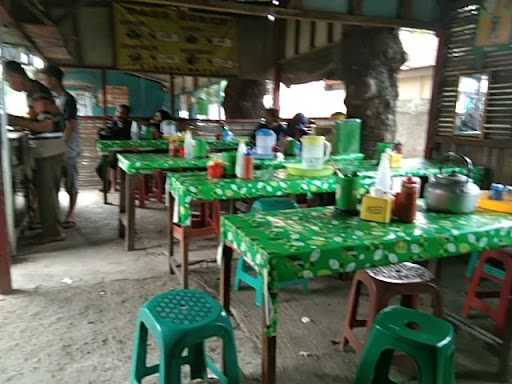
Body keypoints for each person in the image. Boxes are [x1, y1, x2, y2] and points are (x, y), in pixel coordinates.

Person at [3, 60, 66, 243]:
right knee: (48, 191)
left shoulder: (38, 94)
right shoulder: (33, 93)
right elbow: (38, 119)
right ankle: (52, 228)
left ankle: (52, 232)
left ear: (16, 76)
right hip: (49, 148)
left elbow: (46, 126)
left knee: (47, 192)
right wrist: (21, 120)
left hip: (49, 149)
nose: (9, 84)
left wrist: (15, 122)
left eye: (8, 80)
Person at [40, 64, 80, 228]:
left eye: (45, 78)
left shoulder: (68, 99)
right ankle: (55, 215)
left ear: (53, 79)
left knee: (70, 180)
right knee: (54, 182)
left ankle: (71, 214)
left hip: (68, 146)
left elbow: (71, 126)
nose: (43, 82)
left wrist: (62, 147)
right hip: (55, 144)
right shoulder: (49, 99)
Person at [95, 104, 132, 191]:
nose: (119, 114)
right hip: (113, 151)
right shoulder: (112, 123)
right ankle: (107, 183)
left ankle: (115, 185)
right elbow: (107, 137)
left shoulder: (130, 125)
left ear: (127, 115)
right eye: (117, 112)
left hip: (126, 151)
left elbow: (125, 136)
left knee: (110, 162)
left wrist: (114, 129)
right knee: (99, 168)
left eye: (122, 113)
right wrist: (101, 133)